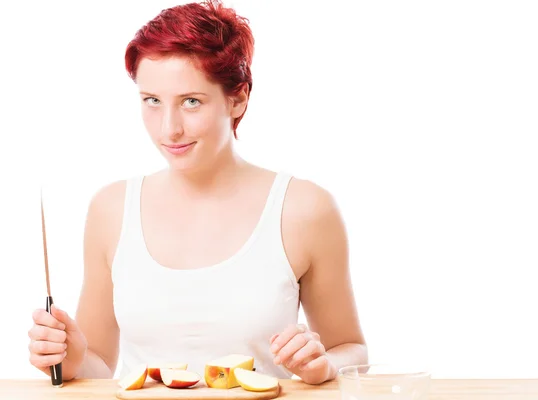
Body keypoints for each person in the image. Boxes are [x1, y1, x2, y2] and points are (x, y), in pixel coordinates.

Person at [27, 0, 367, 386]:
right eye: (152, 101)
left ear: (237, 98)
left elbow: (351, 348)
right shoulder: (111, 209)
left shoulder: (304, 210)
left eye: (191, 101)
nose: (168, 129)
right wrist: (70, 359)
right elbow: (101, 364)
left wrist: (323, 365)